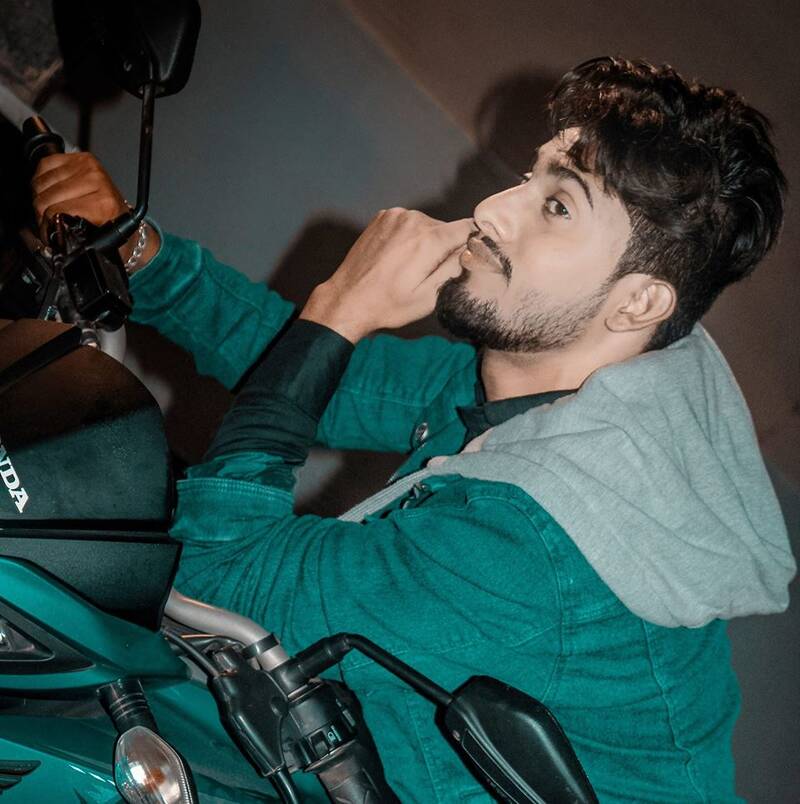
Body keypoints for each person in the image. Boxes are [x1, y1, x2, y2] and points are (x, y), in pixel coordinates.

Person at [33, 57, 796, 802]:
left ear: (637, 304)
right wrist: (139, 251)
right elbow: (321, 376)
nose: (495, 209)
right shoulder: (563, 389)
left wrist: (341, 308)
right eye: (530, 179)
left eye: (558, 207)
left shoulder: (535, 544)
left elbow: (214, 578)